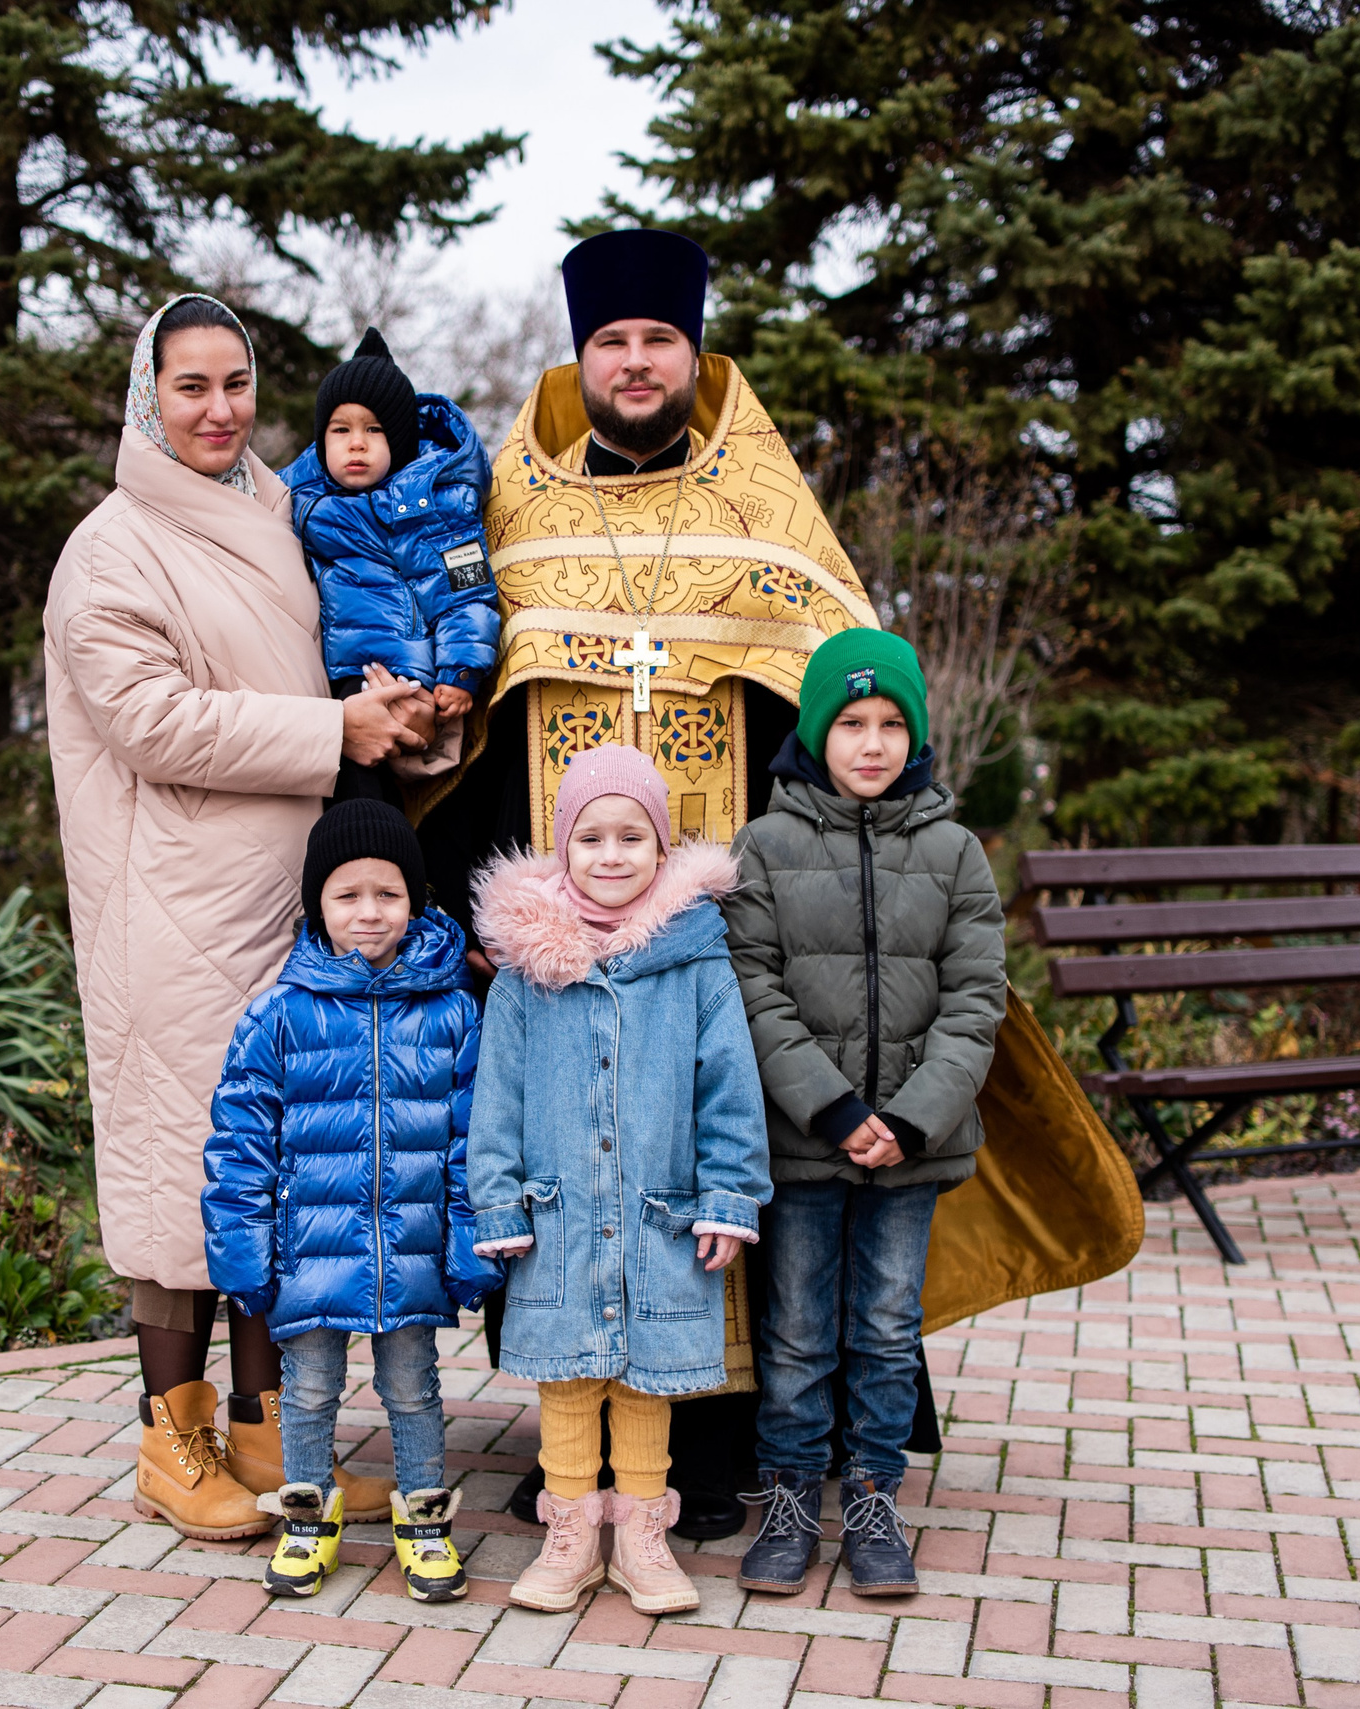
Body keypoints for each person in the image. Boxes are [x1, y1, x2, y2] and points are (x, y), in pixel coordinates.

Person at [415, 228, 881, 1536]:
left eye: (655, 342)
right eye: (611, 343)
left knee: (699, 1160)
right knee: (568, 1161)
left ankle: (718, 1439)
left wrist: (791, 882)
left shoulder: (762, 500)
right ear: (584, 356)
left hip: (710, 921)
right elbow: (480, 722)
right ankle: (574, 1451)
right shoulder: (516, 499)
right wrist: (475, 902)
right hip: (560, 917)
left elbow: (838, 690)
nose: (633, 363)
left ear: (693, 353)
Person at [42, 293, 438, 1540]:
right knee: (179, 1174)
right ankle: (172, 1442)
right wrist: (335, 732)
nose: (218, 411)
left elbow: (315, 663)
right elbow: (155, 720)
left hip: (288, 899)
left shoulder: (281, 509)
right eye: (190, 387)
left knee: (277, 1167)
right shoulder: (109, 549)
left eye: (235, 384)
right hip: (166, 908)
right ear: (144, 397)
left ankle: (274, 1436)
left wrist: (396, 709)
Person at [721, 631, 1006, 1597]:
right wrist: (835, 1109)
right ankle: (793, 1495)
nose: (873, 743)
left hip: (911, 1150)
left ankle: (875, 1496)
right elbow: (752, 990)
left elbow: (977, 1002)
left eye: (892, 724)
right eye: (851, 723)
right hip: (806, 1141)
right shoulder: (765, 845)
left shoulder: (955, 850)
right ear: (816, 730)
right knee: (796, 1330)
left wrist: (912, 1118)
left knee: (886, 1329)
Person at [466, 744, 771, 1615]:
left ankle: (642, 1532)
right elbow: (499, 1096)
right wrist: (498, 1196)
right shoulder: (528, 972)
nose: (610, 854)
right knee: (569, 1373)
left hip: (658, 1212)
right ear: (563, 848)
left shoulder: (696, 962)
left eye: (631, 836)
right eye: (591, 836)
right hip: (560, 1214)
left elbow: (729, 1088)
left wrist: (726, 1196)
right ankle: (571, 1533)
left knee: (645, 1375)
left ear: (661, 847)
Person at [200, 800, 504, 1602]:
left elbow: (473, 1138)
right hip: (310, 1252)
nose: (369, 912)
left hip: (411, 1247)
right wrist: (242, 1250)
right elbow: (239, 1142)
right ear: (317, 906)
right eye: (347, 895)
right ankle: (306, 1522)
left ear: (416, 900)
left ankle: (426, 1524)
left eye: (388, 893)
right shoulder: (279, 1015)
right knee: (306, 1391)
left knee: (414, 1388)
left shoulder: (450, 1013)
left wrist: (469, 1242)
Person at [283, 329, 499, 803]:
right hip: (325, 685)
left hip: (406, 675)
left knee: (391, 803)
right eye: (341, 430)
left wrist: (461, 670)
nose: (355, 444)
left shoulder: (439, 509)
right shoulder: (300, 500)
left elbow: (468, 589)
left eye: (374, 430)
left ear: (400, 441)